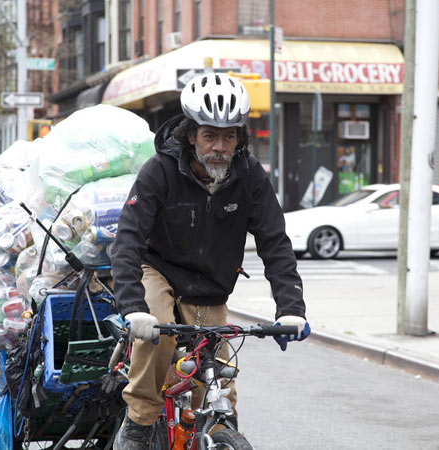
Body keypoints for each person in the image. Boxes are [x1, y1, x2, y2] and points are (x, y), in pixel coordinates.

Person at [110, 73, 309, 450]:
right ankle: (137, 422)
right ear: (191, 135)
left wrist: (291, 307)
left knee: (216, 384)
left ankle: (219, 435)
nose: (220, 146)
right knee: (157, 330)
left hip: (210, 289)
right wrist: (133, 307)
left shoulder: (250, 176)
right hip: (160, 271)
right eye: (210, 135)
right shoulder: (161, 170)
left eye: (229, 136)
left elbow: (275, 243)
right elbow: (129, 239)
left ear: (240, 138)